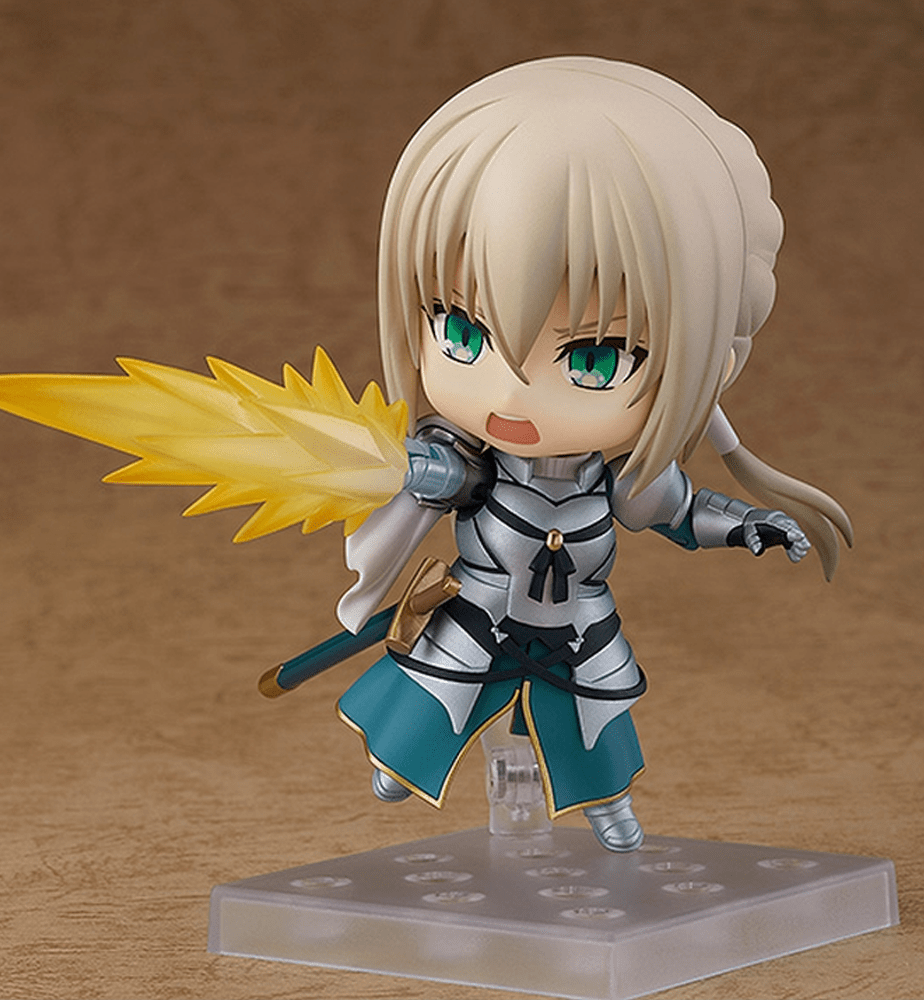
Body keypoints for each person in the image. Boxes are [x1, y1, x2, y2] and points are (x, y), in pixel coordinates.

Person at [334, 56, 852, 852]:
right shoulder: (466, 462)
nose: (511, 396)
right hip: (480, 610)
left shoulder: (614, 477)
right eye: (461, 331)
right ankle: (401, 761)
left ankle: (608, 807)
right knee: (433, 700)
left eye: (593, 359)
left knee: (593, 723)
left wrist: (747, 524)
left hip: (580, 624)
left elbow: (679, 510)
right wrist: (422, 473)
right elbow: (428, 475)